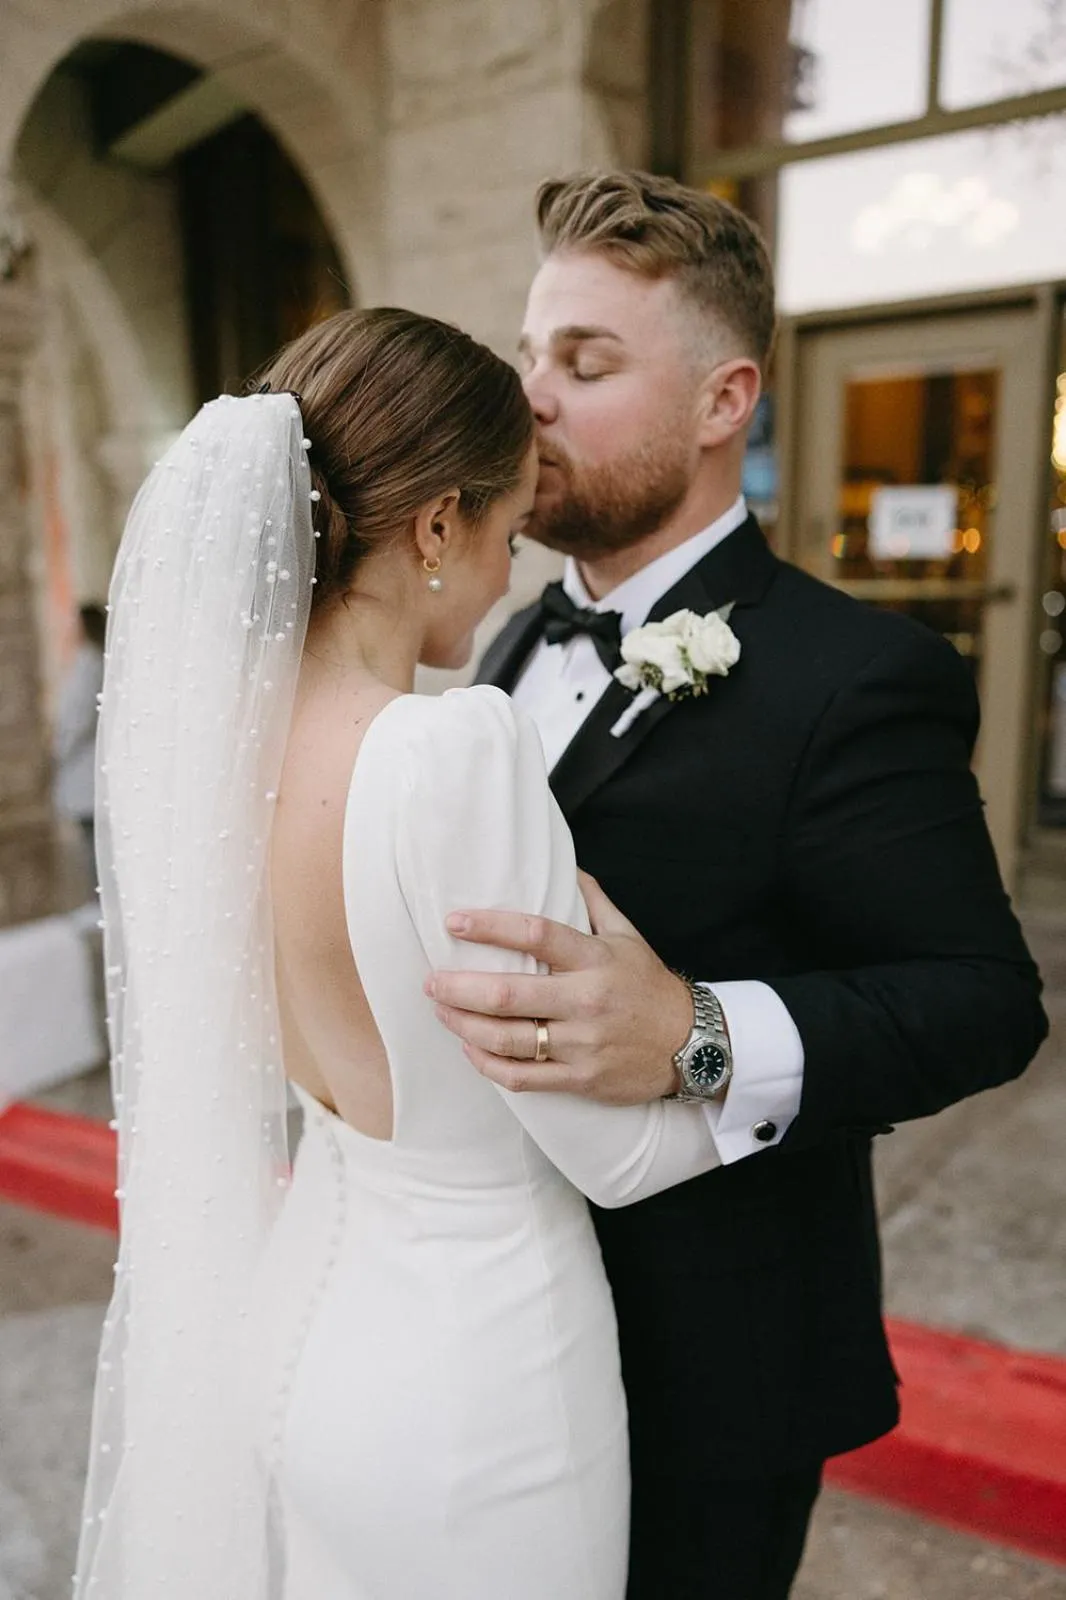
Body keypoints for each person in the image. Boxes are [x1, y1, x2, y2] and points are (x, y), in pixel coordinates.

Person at [427, 171, 1050, 1600]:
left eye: (584, 363)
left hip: (714, 1361)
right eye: (529, 355)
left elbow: (980, 1003)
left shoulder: (855, 677)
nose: (528, 396)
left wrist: (697, 1037)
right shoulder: (512, 639)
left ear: (724, 402)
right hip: (502, 1323)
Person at [74, 308, 732, 1600]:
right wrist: (711, 1042)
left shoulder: (215, 761)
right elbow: (607, 1155)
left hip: (300, 1332)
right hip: (477, 1397)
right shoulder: (447, 751)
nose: (508, 575)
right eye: (501, 528)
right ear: (435, 528)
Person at [52, 602, 106, 895]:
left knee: (93, 844)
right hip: (83, 768)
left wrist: (59, 746)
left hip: (86, 766)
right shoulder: (86, 662)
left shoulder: (90, 664)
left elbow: (79, 717)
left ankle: (99, 902)